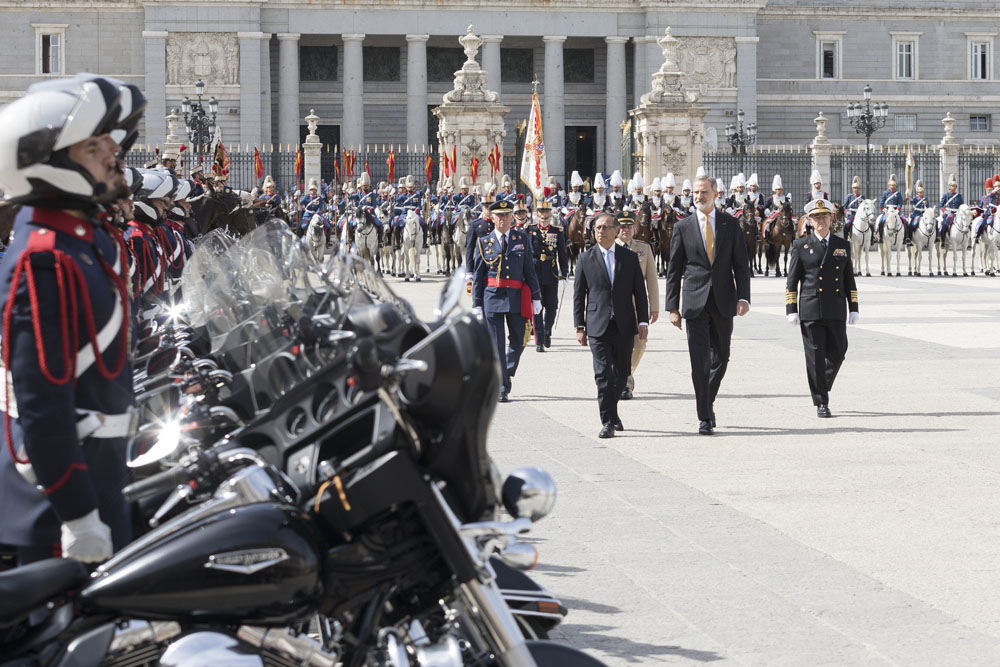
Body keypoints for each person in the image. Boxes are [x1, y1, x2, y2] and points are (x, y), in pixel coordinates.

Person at [0, 74, 144, 565]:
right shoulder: (46, 258)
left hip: (101, 470)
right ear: (49, 160)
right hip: (64, 500)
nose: (113, 155)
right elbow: (41, 406)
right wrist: (78, 514)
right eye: (94, 146)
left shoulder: (79, 241)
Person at [664, 175, 752, 435]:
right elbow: (674, 270)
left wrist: (744, 297)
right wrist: (672, 307)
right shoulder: (683, 227)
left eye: (704, 192)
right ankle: (704, 415)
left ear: (716, 194)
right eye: (696, 193)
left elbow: (741, 264)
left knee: (721, 357)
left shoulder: (730, 224)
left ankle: (707, 398)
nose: (699, 197)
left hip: (724, 300)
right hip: (694, 302)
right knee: (699, 360)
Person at [573, 212, 649, 438]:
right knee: (604, 373)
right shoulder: (585, 258)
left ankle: (613, 413)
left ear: (616, 231)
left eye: (606, 228)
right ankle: (607, 421)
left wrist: (643, 320)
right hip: (597, 325)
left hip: (624, 323)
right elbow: (579, 295)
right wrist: (579, 326)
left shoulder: (629, 257)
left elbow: (640, 292)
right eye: (597, 228)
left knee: (622, 371)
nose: (601, 232)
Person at [785, 199, 859, 418]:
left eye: (824, 217)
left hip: (836, 307)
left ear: (831, 219)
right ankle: (821, 402)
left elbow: (849, 280)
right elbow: (792, 281)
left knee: (838, 352)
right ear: (810, 221)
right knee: (815, 356)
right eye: (816, 218)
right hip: (811, 308)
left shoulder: (841, 245)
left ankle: (820, 385)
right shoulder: (801, 246)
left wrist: (854, 307)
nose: (821, 222)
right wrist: (791, 309)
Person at [472, 200, 542, 403]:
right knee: (496, 343)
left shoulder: (522, 238)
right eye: (499, 215)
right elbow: (479, 274)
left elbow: (529, 269)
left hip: (516, 297)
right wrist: (477, 304)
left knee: (519, 341)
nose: (503, 219)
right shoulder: (483, 242)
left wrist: (536, 297)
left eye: (507, 215)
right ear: (491, 218)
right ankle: (502, 386)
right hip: (492, 297)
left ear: (512, 217)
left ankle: (506, 371)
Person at [615, 213, 659, 400]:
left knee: (639, 345)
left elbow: (651, 280)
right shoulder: (608, 247)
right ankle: (625, 382)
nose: (626, 230)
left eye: (629, 226)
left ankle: (625, 375)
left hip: (636, 306)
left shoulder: (644, 249)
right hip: (615, 307)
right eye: (622, 227)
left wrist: (654, 307)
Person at [528, 200, 568, 352]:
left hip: (551, 273)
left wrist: (564, 274)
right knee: (537, 307)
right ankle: (539, 341)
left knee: (551, 307)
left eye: (547, 212)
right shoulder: (531, 230)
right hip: (535, 273)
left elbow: (562, 254)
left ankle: (546, 332)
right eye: (541, 212)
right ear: (537, 214)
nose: (544, 215)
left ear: (551, 214)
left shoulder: (557, 231)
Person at [875, 174, 903, 244]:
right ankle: (880, 237)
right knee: (881, 221)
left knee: (904, 221)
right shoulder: (886, 193)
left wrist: (898, 209)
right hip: (887, 211)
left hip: (896, 211)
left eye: (894, 186)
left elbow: (900, 203)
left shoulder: (898, 194)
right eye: (891, 186)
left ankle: (906, 237)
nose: (893, 187)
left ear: (896, 186)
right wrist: (883, 208)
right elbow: (881, 202)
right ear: (889, 186)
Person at [906, 181, 929, 246]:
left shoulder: (925, 199)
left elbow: (927, 206)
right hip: (916, 214)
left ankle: (930, 239)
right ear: (917, 193)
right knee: (911, 225)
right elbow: (910, 201)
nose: (920, 194)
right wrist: (907, 196)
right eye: (919, 192)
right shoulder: (915, 199)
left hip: (924, 214)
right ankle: (909, 239)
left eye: (921, 192)